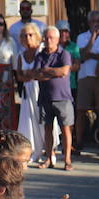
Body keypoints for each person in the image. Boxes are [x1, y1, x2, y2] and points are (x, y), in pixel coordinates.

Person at [36, 25, 75, 170]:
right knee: (47, 129)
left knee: (65, 129)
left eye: (51, 37)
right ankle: (49, 158)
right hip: (45, 97)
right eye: (46, 37)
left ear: (58, 39)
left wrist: (47, 71)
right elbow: (37, 74)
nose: (48, 40)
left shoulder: (64, 54)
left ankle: (67, 160)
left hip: (63, 97)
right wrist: (53, 72)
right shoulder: (40, 55)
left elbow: (64, 71)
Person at [74, 10, 99, 149]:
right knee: (81, 110)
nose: (95, 24)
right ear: (89, 23)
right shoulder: (81, 37)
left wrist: (92, 55)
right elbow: (82, 56)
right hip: (85, 76)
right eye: (93, 21)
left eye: (98, 21)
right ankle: (79, 141)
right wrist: (92, 39)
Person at [11, 22, 45, 161]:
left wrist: (31, 75)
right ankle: (30, 151)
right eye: (25, 35)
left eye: (30, 34)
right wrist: (30, 75)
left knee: (41, 120)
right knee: (28, 120)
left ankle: (47, 150)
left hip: (40, 89)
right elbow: (19, 75)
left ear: (36, 35)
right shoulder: (20, 55)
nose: (28, 37)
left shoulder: (41, 51)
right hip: (27, 90)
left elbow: (41, 71)